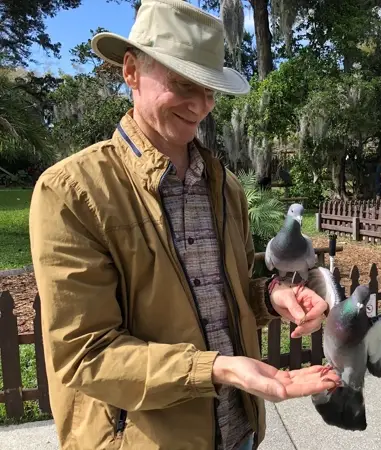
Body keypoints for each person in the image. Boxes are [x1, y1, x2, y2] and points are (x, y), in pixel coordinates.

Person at [28, 1, 339, 449]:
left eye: (209, 89)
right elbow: (85, 356)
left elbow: (221, 298)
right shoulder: (73, 193)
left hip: (239, 433)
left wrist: (273, 297)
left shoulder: (225, 187)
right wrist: (218, 368)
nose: (200, 105)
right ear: (131, 71)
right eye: (181, 83)